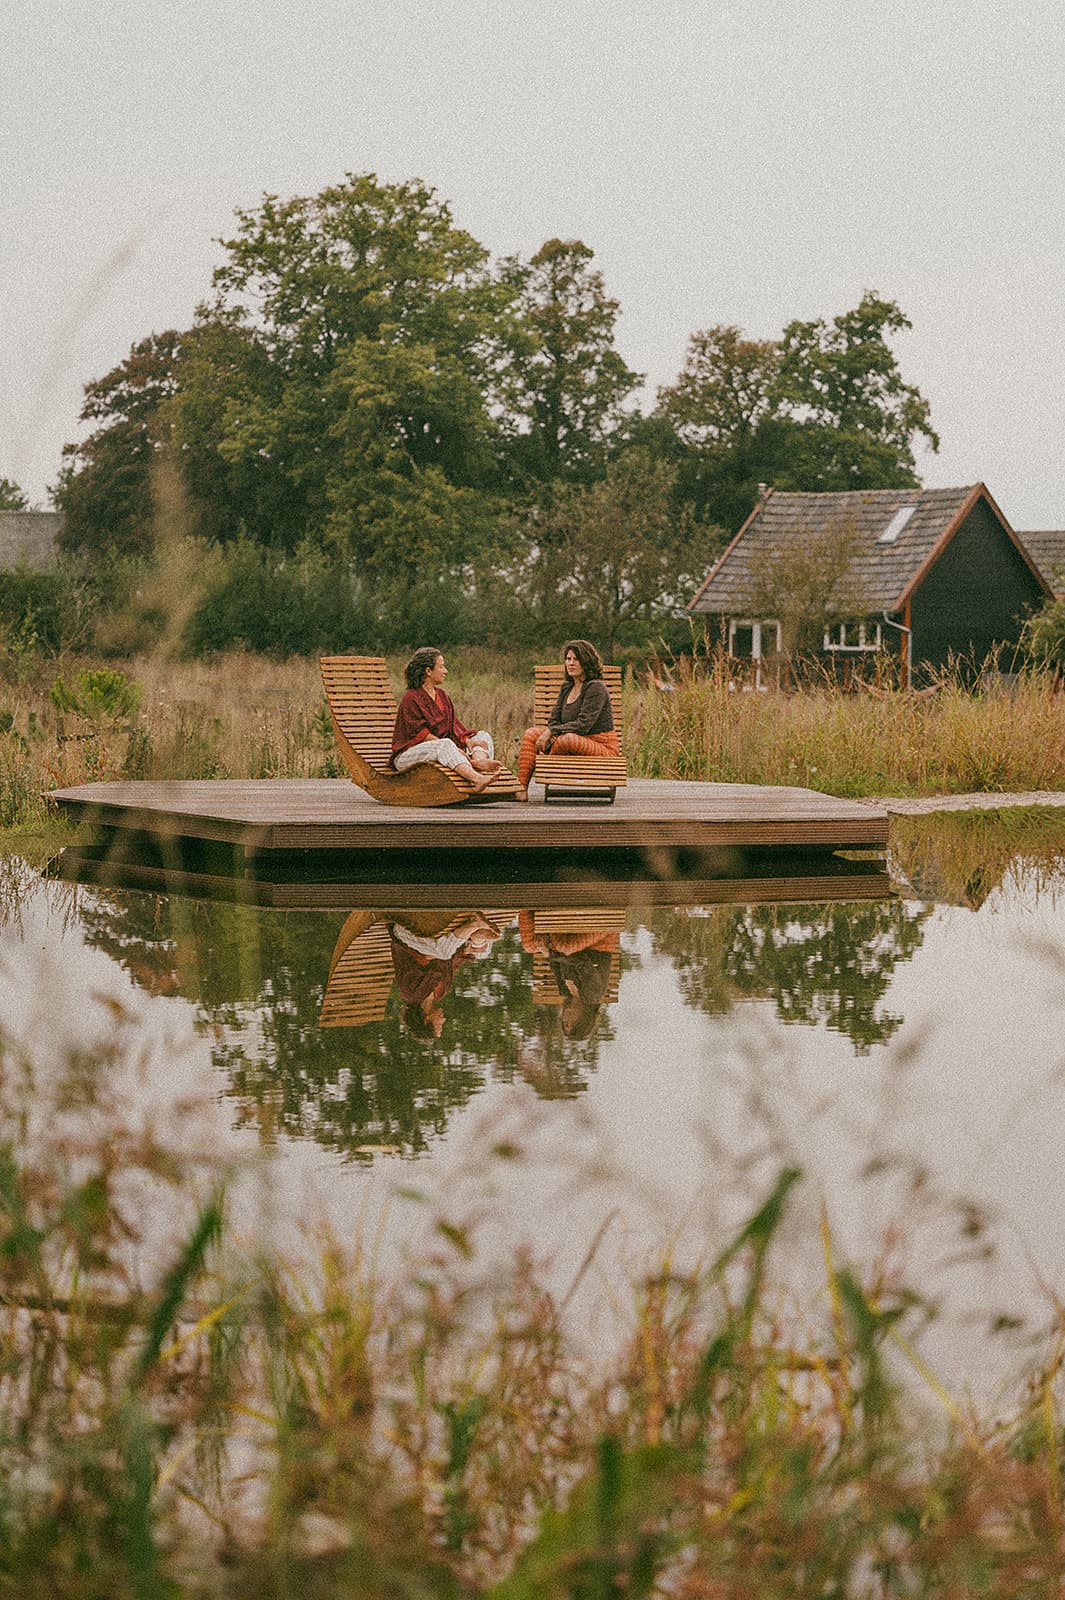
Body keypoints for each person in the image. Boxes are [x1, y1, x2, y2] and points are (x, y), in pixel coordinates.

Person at [515, 639, 621, 802]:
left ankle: (547, 762)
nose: (570, 663)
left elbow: (583, 725)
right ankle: (520, 789)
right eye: (568, 659)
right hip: (568, 740)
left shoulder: (596, 688)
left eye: (576, 659)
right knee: (531, 734)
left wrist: (551, 732)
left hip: (602, 745)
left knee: (567, 739)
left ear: (587, 661)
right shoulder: (567, 687)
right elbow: (554, 719)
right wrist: (551, 730)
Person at [392, 647, 501, 793]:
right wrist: (456, 750)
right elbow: (423, 736)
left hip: (441, 748)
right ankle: (476, 778)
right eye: (441, 666)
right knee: (444, 744)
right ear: (428, 671)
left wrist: (468, 742)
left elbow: (454, 727)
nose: (446, 671)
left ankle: (479, 761)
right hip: (408, 755)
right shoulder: (411, 698)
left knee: (483, 735)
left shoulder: (442, 695)